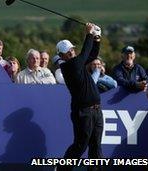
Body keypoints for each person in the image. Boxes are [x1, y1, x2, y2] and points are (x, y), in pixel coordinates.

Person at [56, 23, 103, 171]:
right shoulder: (69, 66)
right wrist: (89, 34)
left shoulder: (77, 62)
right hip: (83, 112)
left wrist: (97, 38)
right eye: (67, 51)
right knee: (81, 145)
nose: (71, 52)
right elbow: (85, 53)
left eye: (71, 49)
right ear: (61, 55)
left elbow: (92, 55)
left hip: (95, 110)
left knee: (96, 145)